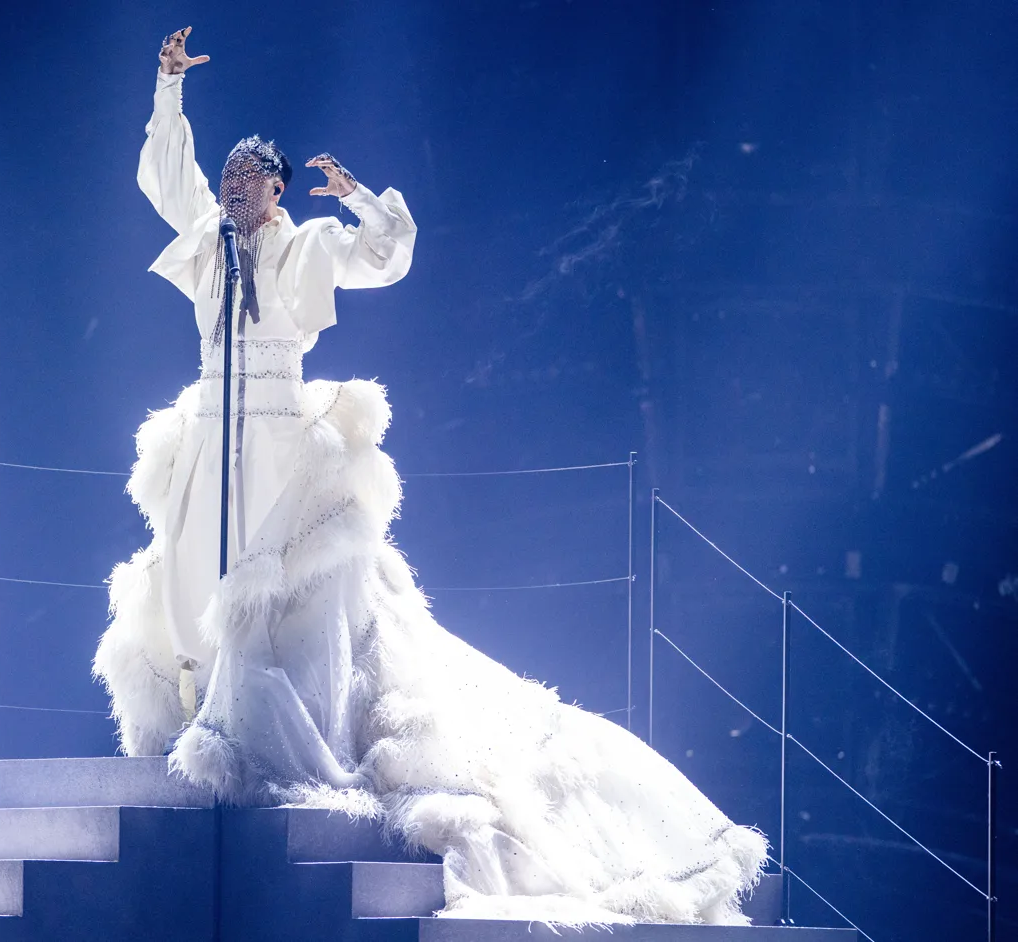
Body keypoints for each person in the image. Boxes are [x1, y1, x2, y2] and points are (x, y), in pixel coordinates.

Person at [93, 26, 766, 926]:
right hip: (213, 428)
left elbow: (387, 253)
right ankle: (210, 715)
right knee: (194, 579)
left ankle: (291, 728)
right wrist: (167, 86)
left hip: (278, 432)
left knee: (290, 584)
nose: (227, 192)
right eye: (225, 182)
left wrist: (361, 198)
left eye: (244, 182)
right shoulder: (210, 244)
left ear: (275, 190)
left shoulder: (304, 248)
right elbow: (163, 181)